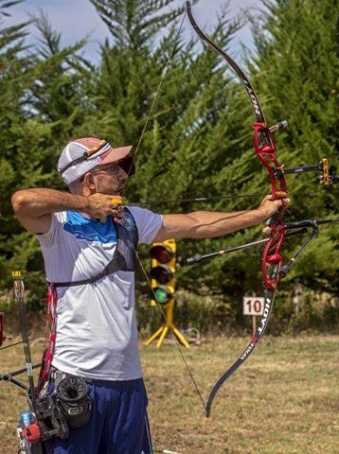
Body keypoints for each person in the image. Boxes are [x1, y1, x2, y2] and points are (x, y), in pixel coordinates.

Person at [11, 137, 287, 454]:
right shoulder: (56, 226)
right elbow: (22, 201)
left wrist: (258, 214)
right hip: (76, 382)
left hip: (128, 382)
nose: (124, 175)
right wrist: (87, 206)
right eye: (114, 168)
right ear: (89, 181)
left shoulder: (128, 219)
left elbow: (196, 223)